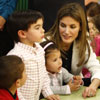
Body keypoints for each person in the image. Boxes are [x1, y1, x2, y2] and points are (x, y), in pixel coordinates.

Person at [45, 3, 100, 98]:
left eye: (72, 27)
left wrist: (93, 87)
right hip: (51, 91)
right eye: (63, 25)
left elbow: (96, 68)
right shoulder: (45, 43)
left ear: (80, 28)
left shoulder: (83, 42)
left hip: (75, 90)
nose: (66, 31)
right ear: (57, 24)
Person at [7, 10, 60, 100]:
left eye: (42, 26)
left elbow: (43, 74)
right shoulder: (15, 56)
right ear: (22, 33)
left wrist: (48, 93)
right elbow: (14, 88)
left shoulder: (40, 50)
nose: (43, 30)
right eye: (37, 28)